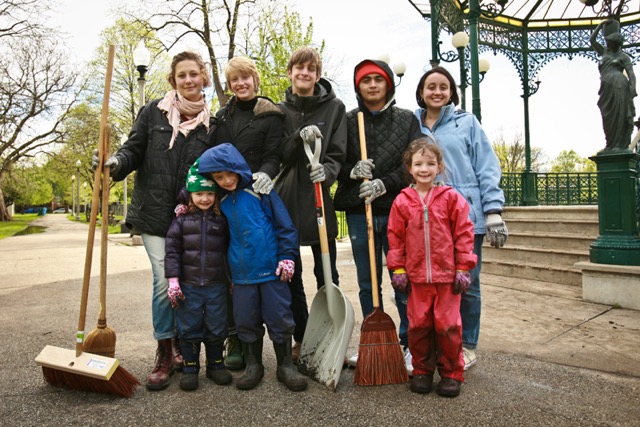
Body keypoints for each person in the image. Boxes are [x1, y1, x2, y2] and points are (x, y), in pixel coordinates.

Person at [96, 51, 215, 390]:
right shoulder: (153, 112)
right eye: (182, 76)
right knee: (165, 281)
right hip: (154, 213)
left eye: (194, 74)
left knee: (185, 286)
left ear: (203, 77)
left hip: (192, 218)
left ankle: (181, 345)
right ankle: (164, 349)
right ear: (173, 81)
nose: (189, 80)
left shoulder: (213, 123)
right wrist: (114, 162)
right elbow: (133, 149)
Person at [333, 59, 423, 373]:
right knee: (367, 282)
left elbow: (415, 161)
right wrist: (352, 170)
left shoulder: (406, 119)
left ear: (388, 84)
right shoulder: (347, 121)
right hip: (361, 213)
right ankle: (374, 342)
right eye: (366, 80)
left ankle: (410, 344)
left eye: (378, 79)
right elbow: (336, 163)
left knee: (402, 280)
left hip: (399, 212)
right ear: (358, 86)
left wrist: (386, 183)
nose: (372, 85)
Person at [414, 66, 507, 371]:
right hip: (427, 218)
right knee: (431, 283)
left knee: (467, 281)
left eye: (444, 86)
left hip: (465, 215)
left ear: (451, 92)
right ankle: (437, 342)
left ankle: (466, 344)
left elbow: (486, 165)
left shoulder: (466, 123)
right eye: (431, 86)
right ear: (421, 91)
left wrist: (493, 211)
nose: (437, 92)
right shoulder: (412, 124)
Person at [198, 143, 308, 392]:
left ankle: (284, 366)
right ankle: (254, 365)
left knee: (279, 317)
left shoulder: (261, 190)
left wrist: (287, 256)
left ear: (238, 167)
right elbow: (196, 196)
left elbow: (285, 226)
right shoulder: (220, 200)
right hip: (241, 275)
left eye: (229, 173)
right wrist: (186, 206)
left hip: (272, 271)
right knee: (245, 320)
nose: (226, 180)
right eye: (218, 177)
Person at [209, 56, 286, 371]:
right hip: (226, 198)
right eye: (234, 80)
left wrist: (264, 175)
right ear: (229, 86)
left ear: (255, 80)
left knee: (265, 263)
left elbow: (274, 154)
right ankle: (237, 338)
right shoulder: (222, 118)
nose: (240, 84)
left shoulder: (270, 115)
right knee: (230, 271)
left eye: (245, 78)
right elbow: (212, 157)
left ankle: (283, 343)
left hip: (257, 194)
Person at [387, 137, 477, 397]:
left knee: (448, 326)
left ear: (439, 166)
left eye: (430, 163)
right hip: (417, 280)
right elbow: (395, 237)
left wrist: (463, 267)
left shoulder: (452, 199)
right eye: (418, 164)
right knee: (419, 326)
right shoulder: (402, 201)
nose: (424, 169)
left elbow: (464, 233)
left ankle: (451, 373)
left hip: (447, 278)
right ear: (409, 168)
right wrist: (399, 269)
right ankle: (422, 370)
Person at [274, 47, 347, 361]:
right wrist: (297, 139)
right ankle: (303, 338)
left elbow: (338, 153)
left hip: (318, 199)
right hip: (286, 200)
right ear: (289, 72)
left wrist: (327, 171)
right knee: (291, 274)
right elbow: (278, 155)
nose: (304, 73)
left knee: (327, 271)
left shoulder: (335, 109)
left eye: (311, 69)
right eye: (298, 68)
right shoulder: (277, 111)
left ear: (318, 75)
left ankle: (332, 336)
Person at [164, 160, 232, 391]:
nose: (204, 198)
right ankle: (191, 368)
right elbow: (172, 252)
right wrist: (173, 281)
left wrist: (230, 279)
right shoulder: (181, 222)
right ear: (190, 195)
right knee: (189, 326)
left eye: (209, 193)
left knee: (216, 325)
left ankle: (216, 365)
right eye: (199, 193)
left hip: (216, 284)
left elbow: (229, 249)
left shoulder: (222, 220)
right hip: (189, 285)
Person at [590, 18, 637, 151]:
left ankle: (618, 145)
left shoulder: (624, 57)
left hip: (620, 87)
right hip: (606, 89)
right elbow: (592, 41)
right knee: (607, 116)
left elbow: (631, 74)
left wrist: (633, 88)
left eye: (610, 42)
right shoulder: (604, 52)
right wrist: (600, 25)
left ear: (617, 43)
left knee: (619, 115)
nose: (607, 44)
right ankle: (610, 144)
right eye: (607, 41)